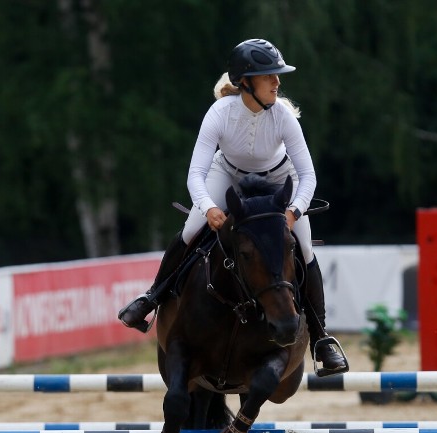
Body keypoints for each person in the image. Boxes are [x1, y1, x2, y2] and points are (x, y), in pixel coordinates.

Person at [118, 38, 348, 375]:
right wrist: (209, 207)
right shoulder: (220, 114)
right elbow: (196, 173)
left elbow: (307, 175)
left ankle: (321, 339)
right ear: (246, 82)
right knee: (191, 229)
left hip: (279, 179)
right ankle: (152, 298)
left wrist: (293, 211)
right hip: (228, 174)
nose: (278, 82)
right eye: (270, 76)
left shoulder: (283, 116)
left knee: (304, 248)